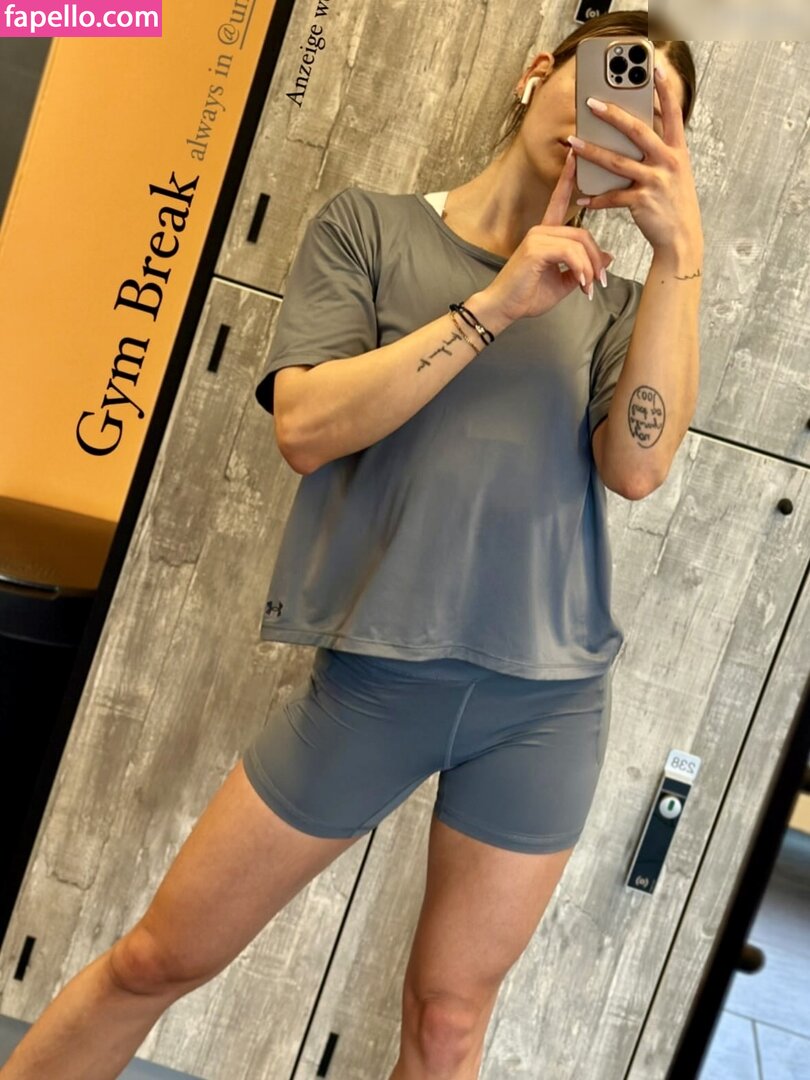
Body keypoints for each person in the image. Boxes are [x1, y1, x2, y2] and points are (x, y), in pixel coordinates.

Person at [0, 11, 702, 1080]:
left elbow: (638, 469)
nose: (615, 114)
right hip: (377, 684)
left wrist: (682, 255)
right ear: (538, 72)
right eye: (607, 80)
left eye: (649, 108)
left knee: (449, 1024)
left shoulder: (618, 299)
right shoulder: (370, 228)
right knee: (154, 960)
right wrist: (496, 305)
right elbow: (305, 428)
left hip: (548, 704)